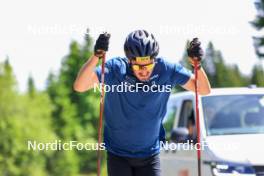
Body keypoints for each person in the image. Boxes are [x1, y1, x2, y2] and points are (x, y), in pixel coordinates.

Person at [74, 30, 211, 176]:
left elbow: (203, 90)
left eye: (148, 65)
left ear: (154, 59)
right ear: (130, 61)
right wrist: (96, 57)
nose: (144, 71)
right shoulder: (116, 69)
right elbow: (80, 86)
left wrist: (197, 66)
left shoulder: (166, 70)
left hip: (149, 156)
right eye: (139, 66)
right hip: (118, 154)